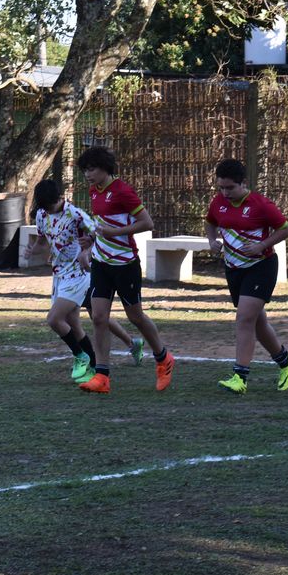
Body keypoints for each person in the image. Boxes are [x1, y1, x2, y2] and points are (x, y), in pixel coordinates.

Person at [74, 146, 175, 394]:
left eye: (92, 169)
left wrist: (114, 233)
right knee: (98, 317)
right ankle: (102, 376)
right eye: (85, 170)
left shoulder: (122, 191)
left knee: (135, 317)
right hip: (101, 263)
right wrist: (90, 244)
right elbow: (101, 225)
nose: (87, 175)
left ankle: (163, 358)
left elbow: (147, 223)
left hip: (125, 264)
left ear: (105, 168)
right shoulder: (94, 191)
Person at [24, 180, 144, 383]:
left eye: (51, 205)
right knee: (82, 320)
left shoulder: (76, 215)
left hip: (80, 274)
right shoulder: (42, 214)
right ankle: (112, 355)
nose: (48, 210)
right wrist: (32, 250)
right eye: (44, 206)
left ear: (59, 198)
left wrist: (87, 251)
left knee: (57, 319)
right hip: (60, 275)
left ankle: (83, 356)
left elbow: (100, 234)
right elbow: (42, 242)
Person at [205, 159, 288, 394]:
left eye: (230, 188)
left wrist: (261, 245)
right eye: (221, 188)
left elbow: (285, 230)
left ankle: (240, 377)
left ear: (243, 183)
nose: (225, 193)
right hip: (234, 268)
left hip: (261, 266)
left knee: (244, 318)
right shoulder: (219, 202)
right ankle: (286, 362)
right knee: (257, 322)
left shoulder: (261, 205)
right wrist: (212, 240)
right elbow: (210, 222)